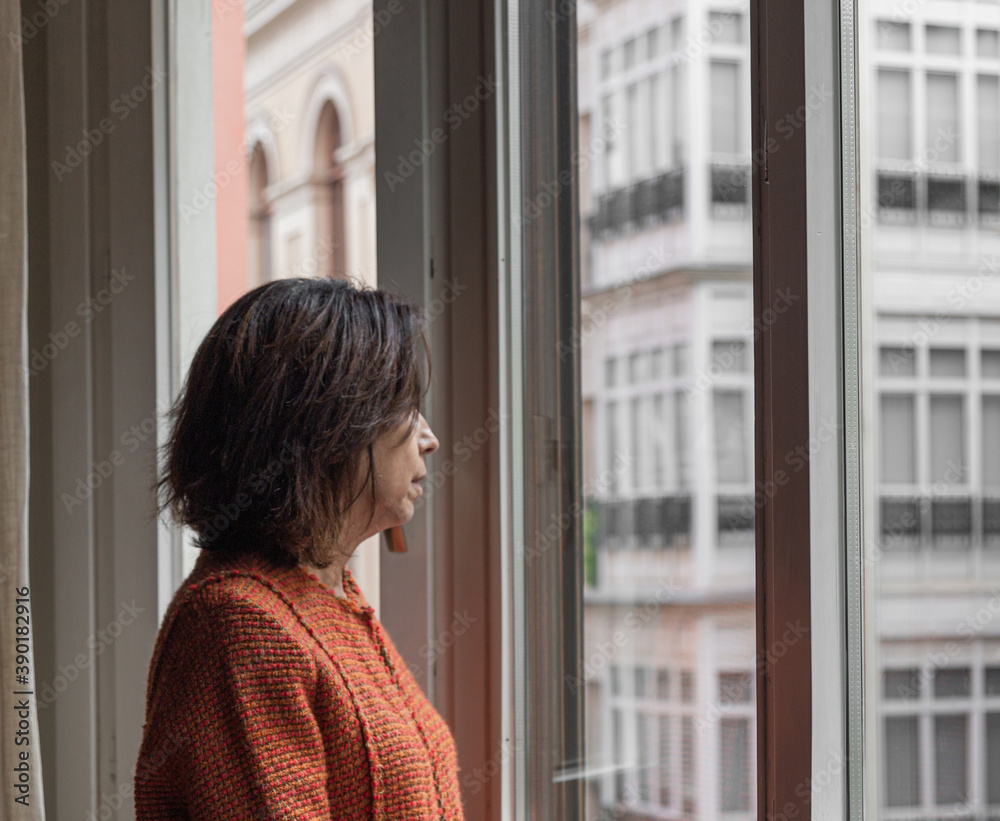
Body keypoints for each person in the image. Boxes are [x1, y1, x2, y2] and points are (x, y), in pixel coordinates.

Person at [133, 276, 465, 820]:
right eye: (406, 408)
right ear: (331, 427)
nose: (428, 437)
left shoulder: (328, 595)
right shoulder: (241, 622)